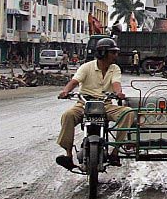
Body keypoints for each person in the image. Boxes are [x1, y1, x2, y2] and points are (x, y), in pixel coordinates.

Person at [56, 37, 132, 171]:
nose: (116, 55)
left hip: (105, 104)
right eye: (113, 52)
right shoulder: (87, 67)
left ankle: (115, 151)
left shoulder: (115, 68)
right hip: (84, 103)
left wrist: (118, 93)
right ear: (103, 53)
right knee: (68, 115)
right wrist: (65, 91)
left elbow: (116, 83)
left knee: (128, 113)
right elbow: (74, 81)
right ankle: (68, 155)